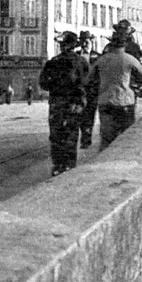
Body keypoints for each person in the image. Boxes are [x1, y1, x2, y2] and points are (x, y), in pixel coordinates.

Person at [89, 30, 142, 150]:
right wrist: (137, 91)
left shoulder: (101, 60)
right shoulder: (130, 60)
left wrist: (98, 92)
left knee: (107, 139)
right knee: (126, 139)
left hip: (106, 102)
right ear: (125, 44)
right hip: (126, 103)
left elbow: (89, 81)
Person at [38, 31, 89, 176]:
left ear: (62, 45)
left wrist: (56, 87)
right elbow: (89, 83)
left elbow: (43, 84)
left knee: (56, 135)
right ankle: (69, 166)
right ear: (75, 45)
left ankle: (57, 166)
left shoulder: (53, 62)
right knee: (71, 135)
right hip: (75, 105)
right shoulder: (82, 62)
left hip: (57, 104)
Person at [77, 31, 100, 148]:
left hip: (92, 91)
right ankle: (84, 136)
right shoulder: (76, 55)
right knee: (80, 115)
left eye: (87, 41)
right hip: (79, 90)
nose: (85, 44)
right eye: (83, 41)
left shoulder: (97, 56)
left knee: (89, 115)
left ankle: (86, 138)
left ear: (92, 42)